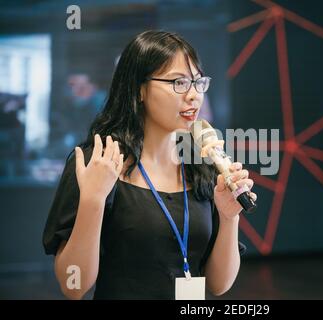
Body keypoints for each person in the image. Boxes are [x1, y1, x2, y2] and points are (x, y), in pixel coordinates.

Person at [42, 30, 257, 300]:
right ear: (139, 89)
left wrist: (229, 217)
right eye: (178, 82)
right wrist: (93, 202)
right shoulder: (96, 162)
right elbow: (73, 287)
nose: (194, 96)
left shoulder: (203, 164)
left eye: (198, 82)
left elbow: (219, 284)